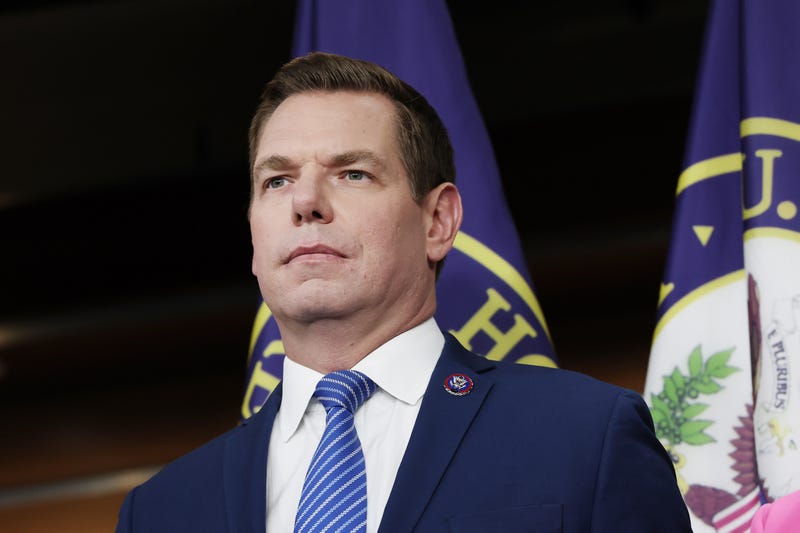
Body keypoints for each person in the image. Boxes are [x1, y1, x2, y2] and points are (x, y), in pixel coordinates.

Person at [115, 51, 692, 532]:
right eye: (277, 180)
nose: (305, 201)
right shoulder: (162, 511)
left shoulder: (585, 436)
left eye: (353, 173)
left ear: (438, 221)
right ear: (253, 233)